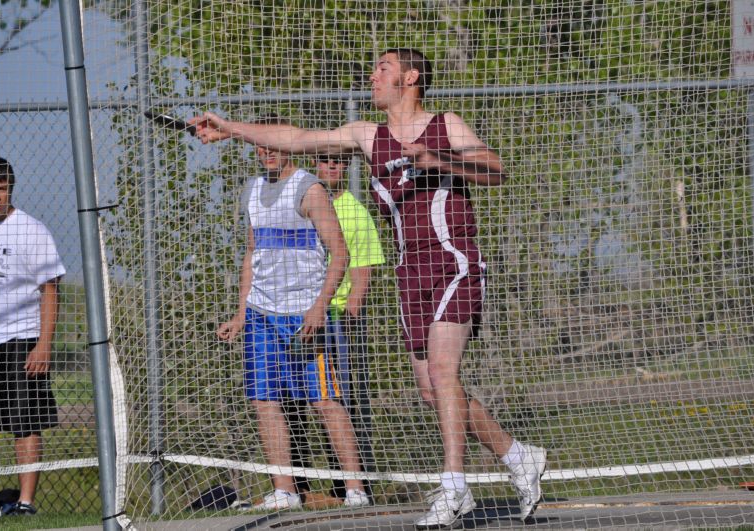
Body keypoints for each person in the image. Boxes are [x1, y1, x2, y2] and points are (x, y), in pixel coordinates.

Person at [192, 48, 547, 528]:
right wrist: (231, 127)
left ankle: (454, 487)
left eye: (383, 67)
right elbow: (295, 139)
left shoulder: (446, 124)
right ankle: (517, 455)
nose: (373, 75)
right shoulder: (367, 134)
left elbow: (495, 169)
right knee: (431, 388)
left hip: (453, 259)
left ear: (411, 76)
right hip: (409, 270)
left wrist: (437, 158)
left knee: (442, 372)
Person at [216, 121, 371, 511]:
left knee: (324, 400)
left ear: (288, 148)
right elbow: (252, 254)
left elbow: (341, 253)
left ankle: (355, 488)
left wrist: (319, 306)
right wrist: (240, 313)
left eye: (273, 146)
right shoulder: (251, 191)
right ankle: (283, 490)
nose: (267, 152)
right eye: (260, 147)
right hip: (261, 314)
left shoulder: (309, 189)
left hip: (303, 316)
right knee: (265, 401)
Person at [0, 155, 66, 518]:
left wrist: (43, 344)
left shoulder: (32, 229)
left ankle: (25, 503)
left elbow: (50, 290)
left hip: (20, 339)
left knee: (24, 422)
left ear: (11, 189)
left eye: (2, 189)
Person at [287, 154, 384, 503]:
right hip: (291, 315)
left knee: (331, 401)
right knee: (288, 401)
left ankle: (348, 485)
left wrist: (345, 318)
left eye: (338, 162)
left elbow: (362, 272)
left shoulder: (354, 212)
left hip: (331, 320)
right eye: (324, 161)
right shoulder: (300, 200)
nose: (332, 167)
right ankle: (296, 486)